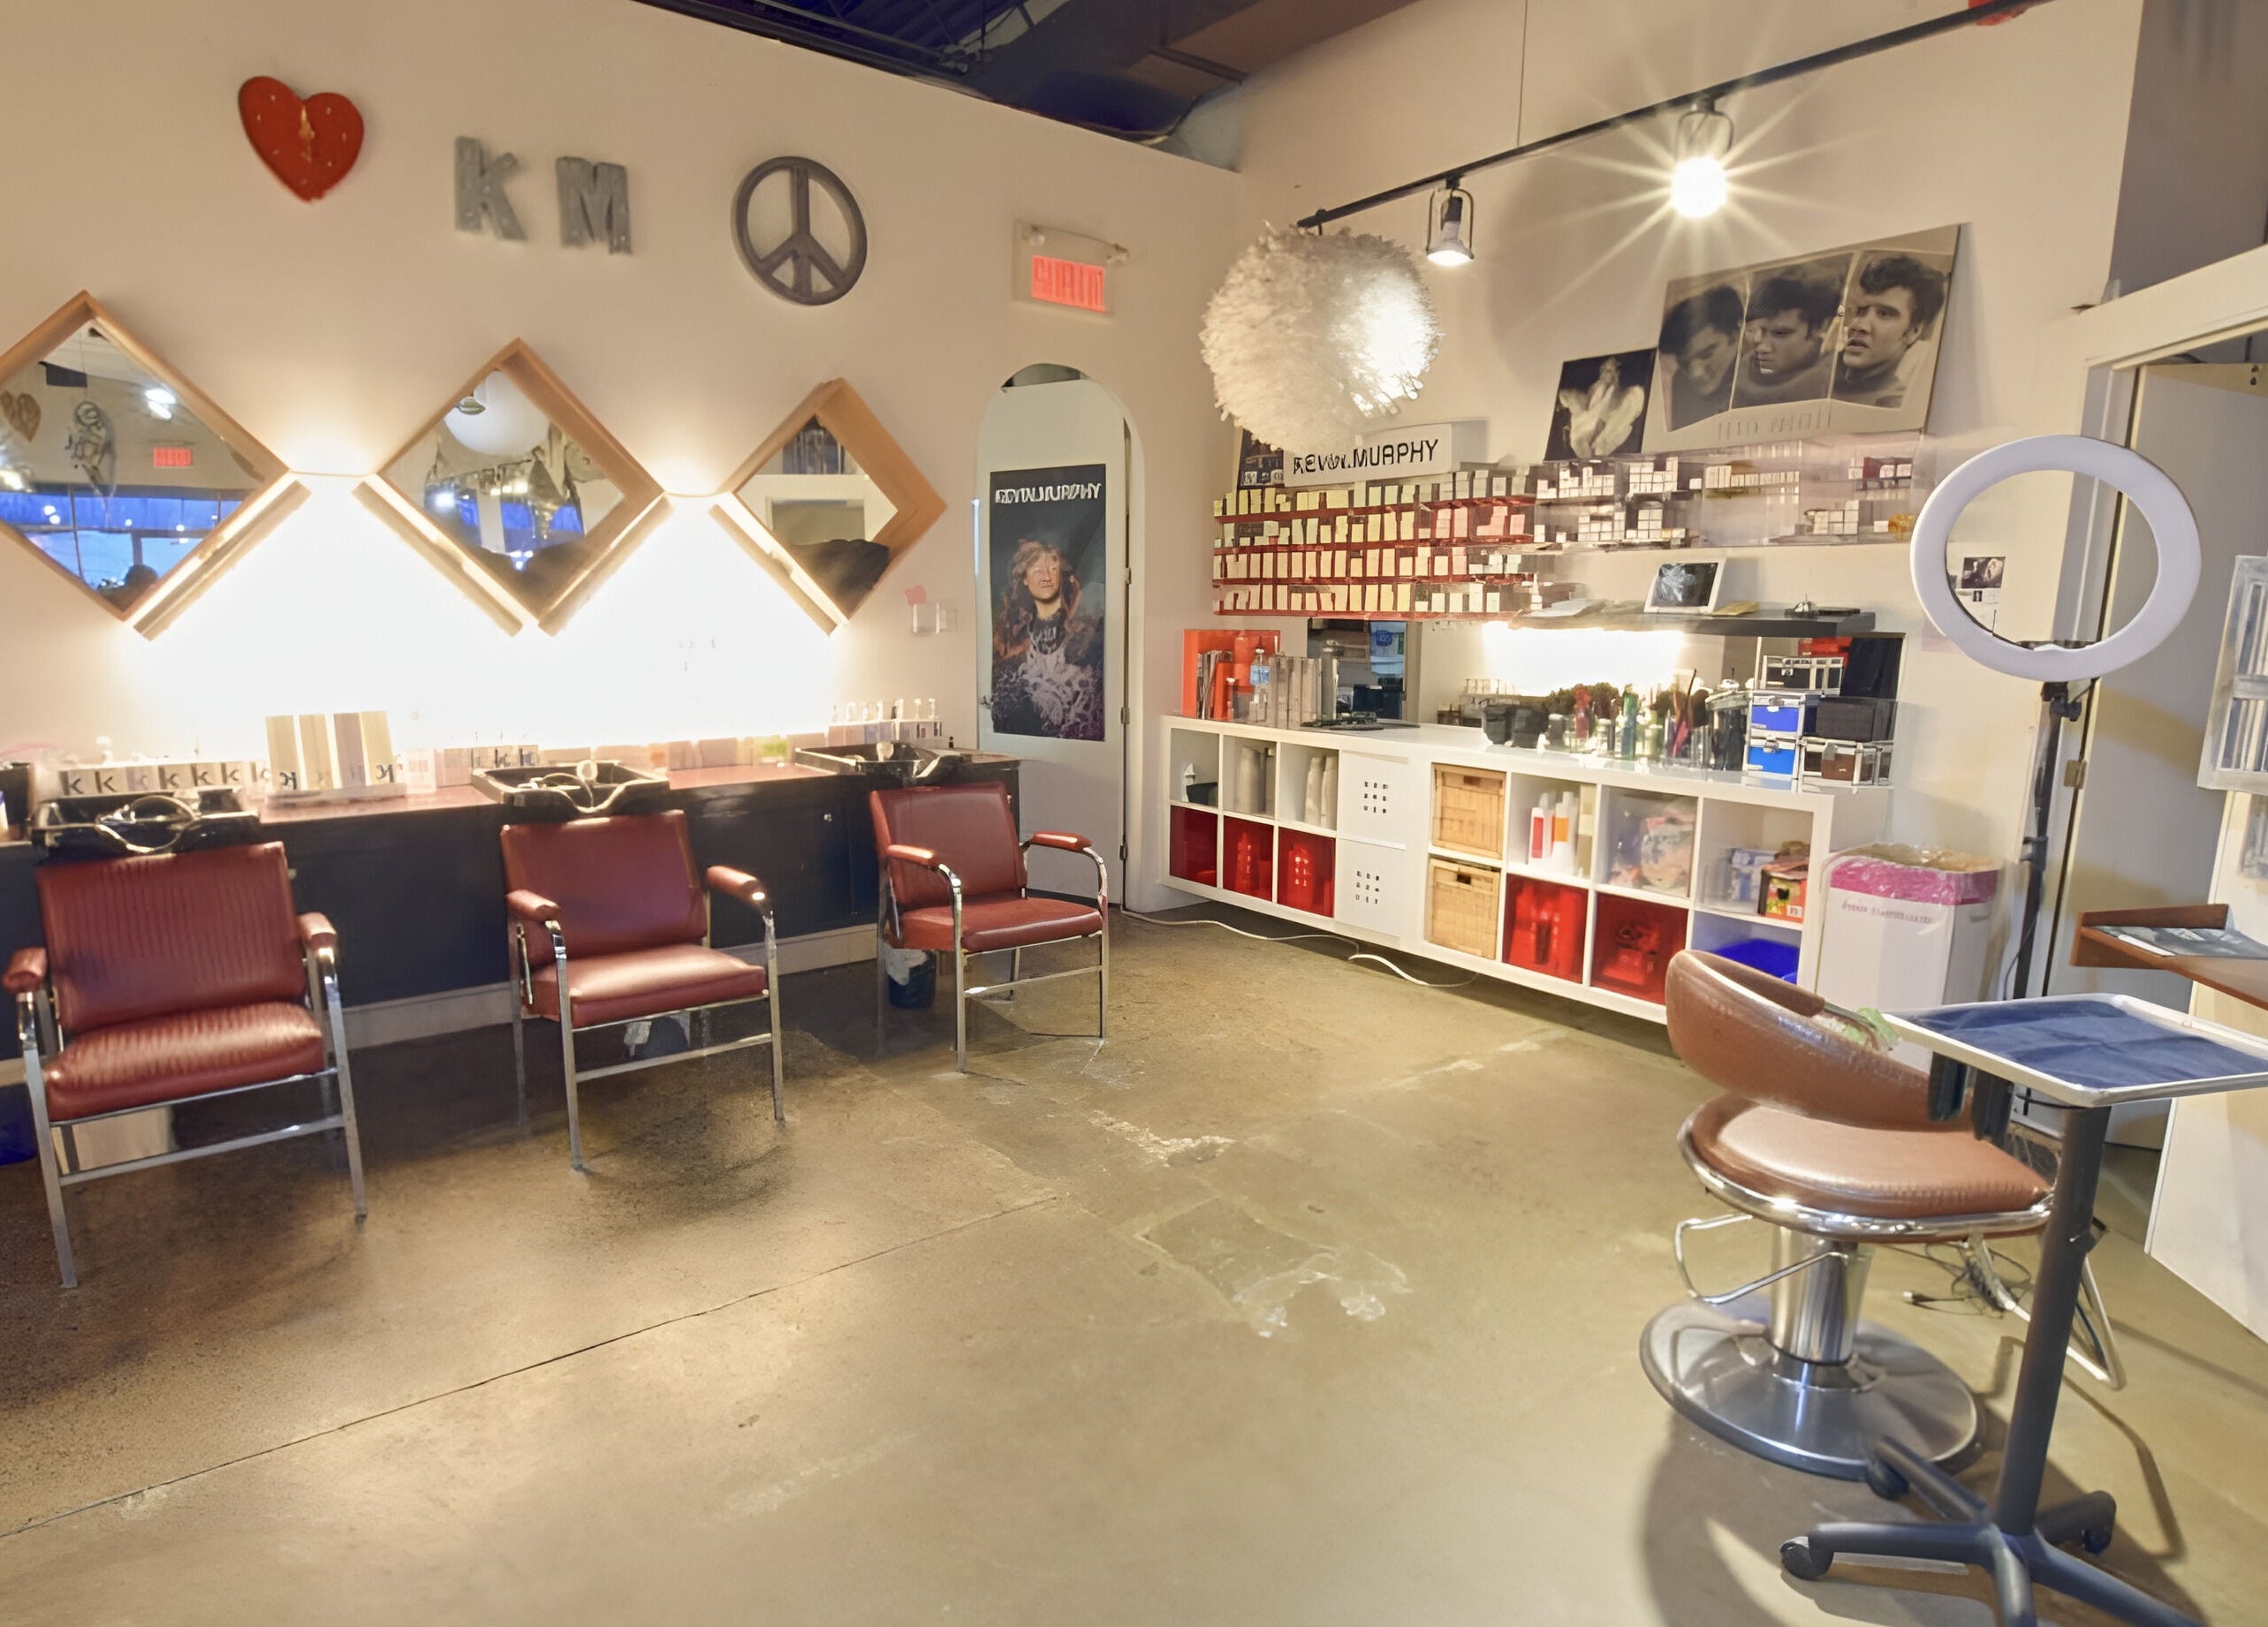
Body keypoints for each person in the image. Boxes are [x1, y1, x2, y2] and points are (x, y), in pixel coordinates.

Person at [990, 537, 1105, 741]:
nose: (1046, 577)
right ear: (1024, 578)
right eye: (1037, 570)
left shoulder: (1086, 634)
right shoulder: (1014, 644)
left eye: (1052, 569)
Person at [1834, 252, 1949, 408]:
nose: (1859, 325)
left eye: (1884, 314)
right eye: (1859, 310)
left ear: (1913, 332)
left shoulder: (1896, 406)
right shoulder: (1814, 380)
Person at [1732, 262, 1843, 408]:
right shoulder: (1737, 378)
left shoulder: (1840, 386)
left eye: (1780, 333)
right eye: (1755, 331)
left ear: (1821, 326)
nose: (1762, 348)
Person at [1657, 283, 1744, 429]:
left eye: (1706, 354)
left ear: (1735, 336)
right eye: (1685, 363)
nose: (1695, 372)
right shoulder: (1680, 383)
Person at [1555, 353, 1648, 459]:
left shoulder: (1620, 393)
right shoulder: (1596, 388)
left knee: (1598, 445)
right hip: (1589, 423)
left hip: (1607, 424)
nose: (1608, 374)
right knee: (1579, 439)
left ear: (1617, 373)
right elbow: (1587, 406)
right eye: (1606, 371)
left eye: (1611, 371)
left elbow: (1608, 413)